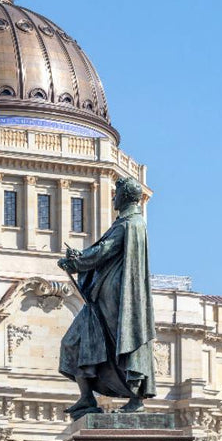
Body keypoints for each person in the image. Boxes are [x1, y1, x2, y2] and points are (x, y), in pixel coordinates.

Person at [58, 176, 156, 416]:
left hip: (115, 298)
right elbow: (102, 252)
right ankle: (86, 398)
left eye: (117, 192)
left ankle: (135, 398)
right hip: (102, 295)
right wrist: (79, 261)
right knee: (75, 342)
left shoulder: (129, 224)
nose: (113, 197)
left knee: (116, 344)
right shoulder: (127, 223)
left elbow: (103, 251)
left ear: (125, 196)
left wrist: (77, 262)